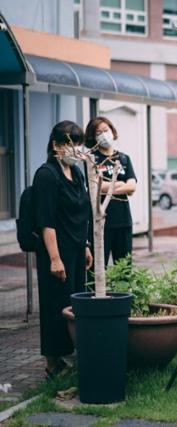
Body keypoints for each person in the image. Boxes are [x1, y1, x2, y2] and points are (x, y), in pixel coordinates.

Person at [32, 121, 93, 379]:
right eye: (69, 143)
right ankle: (52, 363)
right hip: (56, 250)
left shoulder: (76, 173)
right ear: (55, 145)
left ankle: (67, 356)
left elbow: (82, 212)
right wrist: (55, 258)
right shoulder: (47, 174)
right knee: (55, 304)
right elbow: (46, 220)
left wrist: (87, 246)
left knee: (73, 302)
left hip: (77, 249)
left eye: (77, 143)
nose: (74, 148)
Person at [84, 117, 136, 266]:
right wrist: (120, 183)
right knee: (98, 269)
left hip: (123, 221)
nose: (104, 134)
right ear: (93, 137)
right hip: (101, 222)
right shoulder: (92, 159)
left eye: (106, 130)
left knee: (124, 269)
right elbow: (93, 186)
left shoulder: (124, 158)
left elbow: (132, 186)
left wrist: (107, 186)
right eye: (98, 132)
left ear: (112, 132)